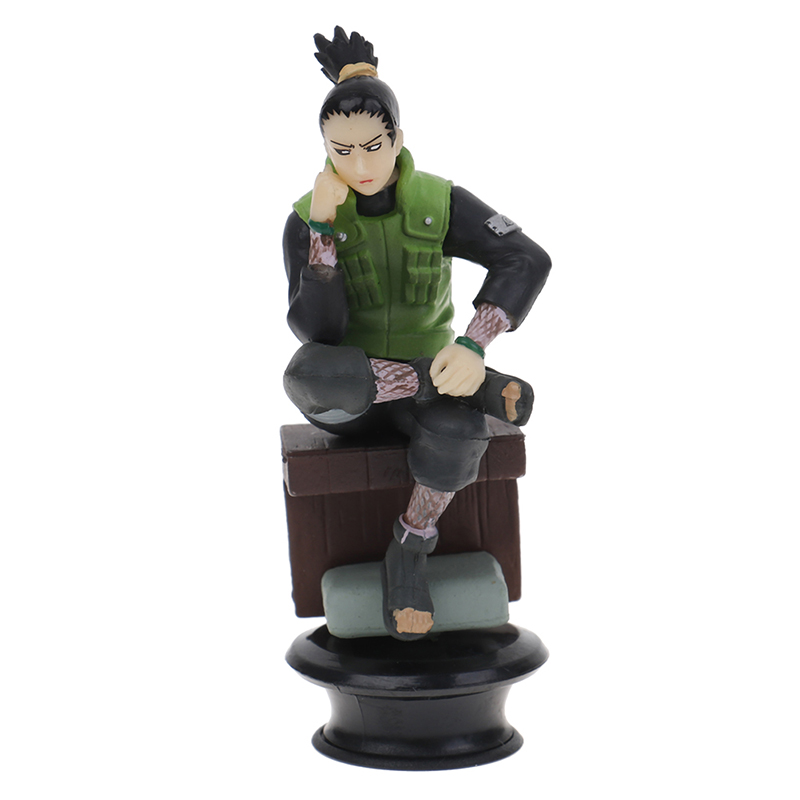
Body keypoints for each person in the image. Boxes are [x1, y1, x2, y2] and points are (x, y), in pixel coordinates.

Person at [283, 27, 551, 640]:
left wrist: (474, 343)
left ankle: (409, 550)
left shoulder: (440, 201)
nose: (360, 166)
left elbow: (526, 258)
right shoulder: (306, 218)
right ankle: (467, 387)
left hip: (434, 383)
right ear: (324, 149)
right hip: (353, 396)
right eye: (341, 151)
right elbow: (315, 329)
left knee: (459, 436)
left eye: (373, 146)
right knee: (306, 372)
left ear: (398, 139)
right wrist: (322, 231)